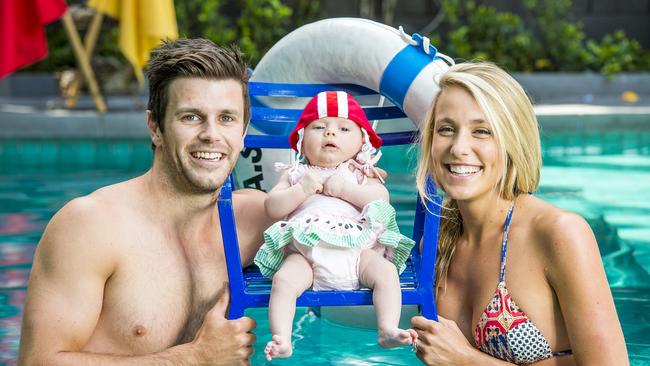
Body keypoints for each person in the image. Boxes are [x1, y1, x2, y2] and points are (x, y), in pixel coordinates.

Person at [18, 38, 276, 365]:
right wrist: (193, 359)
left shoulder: (252, 220)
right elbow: (36, 361)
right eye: (191, 117)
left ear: (242, 133)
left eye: (226, 118)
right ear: (155, 127)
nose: (212, 134)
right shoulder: (90, 226)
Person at [410, 62, 629, 365]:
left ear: (512, 141)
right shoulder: (434, 246)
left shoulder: (558, 233)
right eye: (446, 129)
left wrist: (467, 361)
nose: (459, 147)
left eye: (482, 131)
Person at [254, 91, 417, 360]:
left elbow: (381, 199)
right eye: (319, 127)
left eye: (343, 128)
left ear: (361, 141)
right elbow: (272, 207)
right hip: (306, 257)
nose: (330, 134)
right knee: (283, 281)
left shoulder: (361, 173)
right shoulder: (296, 174)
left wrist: (345, 189)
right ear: (301, 141)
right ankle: (282, 338)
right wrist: (301, 191)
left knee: (386, 273)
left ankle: (387, 328)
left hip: (358, 254)